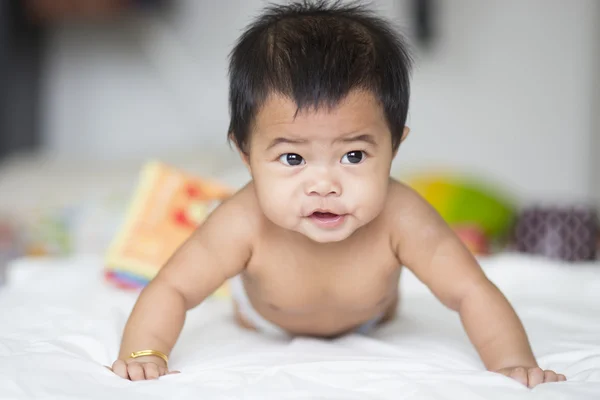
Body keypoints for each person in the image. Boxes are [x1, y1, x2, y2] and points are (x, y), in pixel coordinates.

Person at [111, 1, 566, 388]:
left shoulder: (402, 215)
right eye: (293, 159)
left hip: (372, 314)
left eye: (353, 156)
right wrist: (145, 351)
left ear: (394, 147)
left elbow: (470, 290)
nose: (325, 184)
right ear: (246, 155)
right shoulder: (242, 220)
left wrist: (511, 362)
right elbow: (172, 288)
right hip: (265, 317)